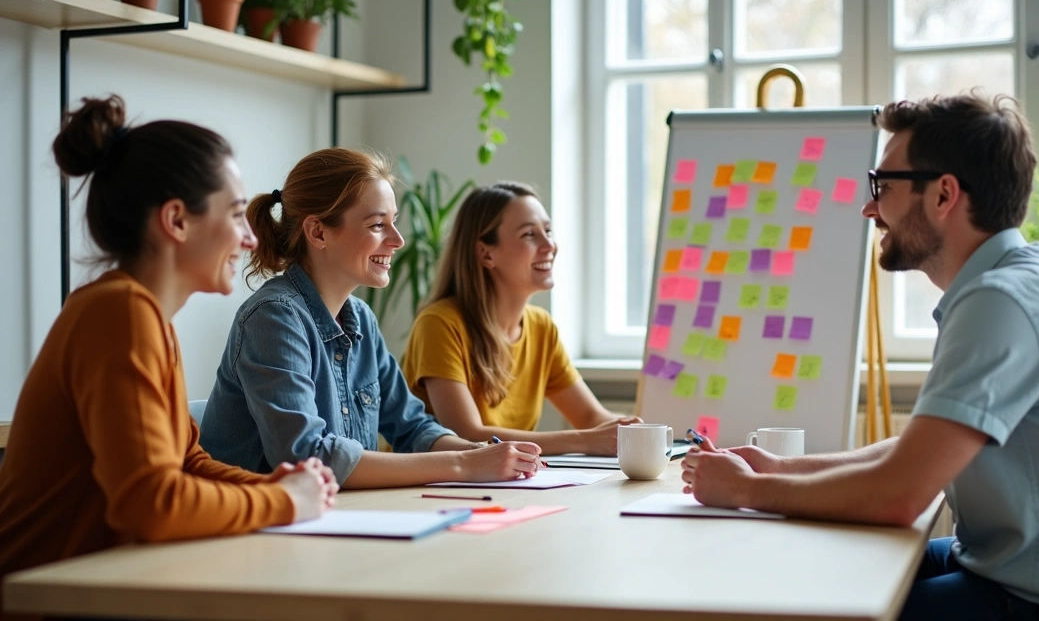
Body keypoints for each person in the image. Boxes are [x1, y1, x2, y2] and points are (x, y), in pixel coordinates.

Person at [680, 92, 1039, 621]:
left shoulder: (1001, 302)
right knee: (817, 572)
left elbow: (899, 496)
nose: (869, 207)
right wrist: (780, 470)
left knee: (805, 603)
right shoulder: (1015, 282)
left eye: (883, 187)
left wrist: (750, 490)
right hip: (1030, 574)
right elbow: (915, 453)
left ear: (943, 195)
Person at [0, 95, 336, 619]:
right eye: (233, 214)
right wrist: (285, 501)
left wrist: (277, 484)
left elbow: (186, 462)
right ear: (177, 221)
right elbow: (152, 503)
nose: (250, 238)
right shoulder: (121, 314)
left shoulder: (141, 314)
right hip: (45, 604)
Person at [200, 149, 543, 489]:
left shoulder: (361, 317)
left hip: (336, 520)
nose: (397, 240)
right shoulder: (274, 318)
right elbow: (306, 458)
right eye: (378, 225)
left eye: (394, 222)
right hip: (258, 530)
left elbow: (413, 427)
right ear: (318, 232)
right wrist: (463, 464)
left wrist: (483, 452)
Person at [402, 182, 639, 456]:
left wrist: (642, 431)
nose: (549, 245)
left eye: (547, 231)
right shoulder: (439, 323)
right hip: (427, 490)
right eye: (529, 234)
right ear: (486, 253)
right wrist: (584, 441)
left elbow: (590, 418)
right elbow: (466, 435)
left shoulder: (541, 327)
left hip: (506, 483)